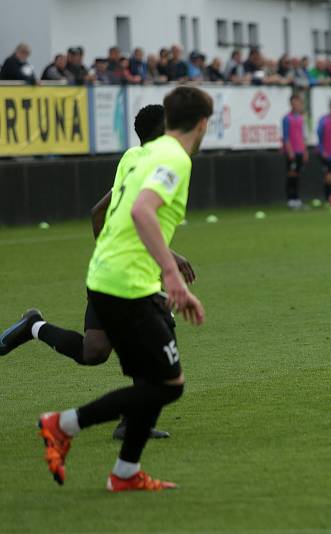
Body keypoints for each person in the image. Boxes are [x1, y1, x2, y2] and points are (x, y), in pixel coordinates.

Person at [35, 85, 212, 491]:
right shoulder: (173, 158)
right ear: (202, 124)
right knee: (169, 385)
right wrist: (170, 273)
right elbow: (141, 210)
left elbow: (109, 210)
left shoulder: (143, 154)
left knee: (152, 382)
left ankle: (125, 473)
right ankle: (61, 425)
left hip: (109, 276)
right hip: (128, 284)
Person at [0, 105, 193, 440]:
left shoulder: (130, 158)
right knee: (159, 345)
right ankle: (129, 427)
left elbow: (99, 211)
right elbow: (138, 215)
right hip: (130, 277)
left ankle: (34, 326)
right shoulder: (154, 164)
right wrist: (169, 256)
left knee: (94, 352)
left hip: (106, 272)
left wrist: (108, 251)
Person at [282, 94, 309, 209]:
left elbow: (303, 136)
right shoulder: (286, 118)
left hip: (300, 151)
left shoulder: (301, 118)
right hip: (291, 152)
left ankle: (297, 199)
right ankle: (290, 199)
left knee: (297, 175)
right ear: (291, 103)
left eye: (298, 102)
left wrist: (305, 151)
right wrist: (290, 151)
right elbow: (286, 136)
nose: (296, 104)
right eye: (294, 102)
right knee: (291, 175)